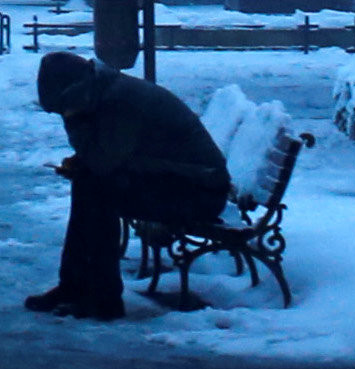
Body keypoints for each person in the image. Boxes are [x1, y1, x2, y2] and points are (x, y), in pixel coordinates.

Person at [28, 50, 231, 320]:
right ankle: (75, 287)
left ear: (77, 92)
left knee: (99, 191)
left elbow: (103, 162)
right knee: (89, 185)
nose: (64, 114)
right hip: (182, 182)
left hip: (200, 194)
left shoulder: (120, 102)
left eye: (64, 107)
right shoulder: (106, 92)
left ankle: (104, 299)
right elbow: (109, 156)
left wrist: (75, 123)